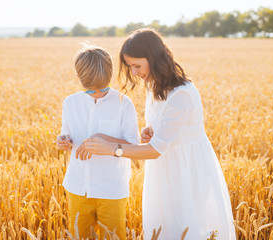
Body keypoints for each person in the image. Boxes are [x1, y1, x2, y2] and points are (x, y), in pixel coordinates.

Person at [78, 29, 236, 239]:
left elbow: (154, 151)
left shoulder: (183, 94)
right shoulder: (153, 86)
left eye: (137, 65)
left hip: (186, 170)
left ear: (153, 58)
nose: (134, 73)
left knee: (186, 226)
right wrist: (150, 133)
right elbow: (160, 136)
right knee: (164, 225)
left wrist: (112, 149)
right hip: (164, 168)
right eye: (130, 67)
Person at [57, 44, 139, 240]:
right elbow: (66, 134)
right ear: (79, 79)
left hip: (111, 190)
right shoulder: (70, 103)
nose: (96, 94)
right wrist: (63, 141)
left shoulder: (123, 103)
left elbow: (134, 145)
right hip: (77, 187)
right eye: (89, 91)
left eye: (102, 89)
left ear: (110, 76)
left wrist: (104, 140)